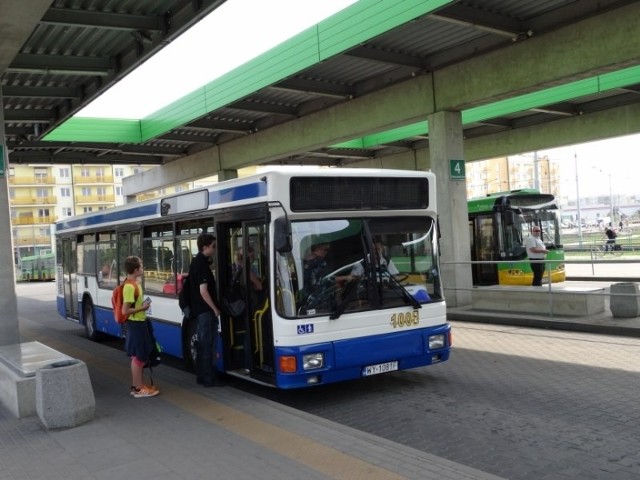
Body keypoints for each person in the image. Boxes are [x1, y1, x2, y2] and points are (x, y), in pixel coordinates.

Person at [188, 233, 224, 387]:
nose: (215, 249)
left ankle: (202, 377)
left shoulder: (195, 262)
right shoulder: (202, 265)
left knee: (203, 346)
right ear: (205, 247)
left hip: (199, 310)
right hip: (205, 312)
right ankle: (209, 379)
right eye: (213, 246)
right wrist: (215, 309)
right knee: (208, 346)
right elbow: (204, 291)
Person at [121, 256, 158, 398]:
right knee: (139, 357)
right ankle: (138, 389)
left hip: (138, 323)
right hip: (136, 324)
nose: (142, 269)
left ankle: (138, 386)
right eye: (141, 267)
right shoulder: (130, 287)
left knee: (137, 356)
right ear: (136, 270)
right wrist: (143, 308)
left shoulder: (132, 284)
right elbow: (125, 311)